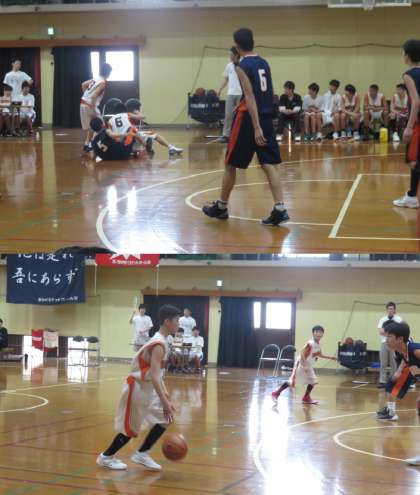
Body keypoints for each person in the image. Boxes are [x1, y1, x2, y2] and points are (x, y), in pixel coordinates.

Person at [202, 27, 288, 227]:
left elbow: (249, 96)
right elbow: (270, 92)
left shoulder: (242, 66)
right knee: (269, 164)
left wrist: (256, 127)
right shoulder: (264, 63)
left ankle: (221, 207)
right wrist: (265, 121)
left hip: (249, 120)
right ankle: (280, 209)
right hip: (266, 117)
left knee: (230, 163)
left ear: (237, 45)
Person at [97, 304, 179, 471]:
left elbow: (156, 373)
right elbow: (154, 376)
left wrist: (165, 394)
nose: (179, 324)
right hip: (137, 388)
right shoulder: (158, 344)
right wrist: (164, 401)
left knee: (166, 418)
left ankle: (142, 453)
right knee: (131, 429)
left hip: (148, 388)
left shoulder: (163, 340)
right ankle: (106, 457)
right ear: (167, 321)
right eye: (177, 321)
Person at [271, 325, 336, 405]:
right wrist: (304, 366)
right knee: (292, 382)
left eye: (320, 332)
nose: (318, 334)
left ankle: (306, 397)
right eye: (316, 332)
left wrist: (331, 357)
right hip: (301, 363)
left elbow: (319, 354)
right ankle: (276, 393)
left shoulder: (319, 344)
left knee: (313, 381)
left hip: (308, 364)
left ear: (323, 334)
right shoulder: (310, 343)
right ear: (313, 333)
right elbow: (302, 354)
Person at [393, 39, 420, 210]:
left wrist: (409, 127)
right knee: (415, 160)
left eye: (403, 52)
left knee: (412, 160)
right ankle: (411, 196)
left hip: (417, 124)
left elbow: (416, 102)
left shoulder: (408, 75)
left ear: (407, 55)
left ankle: (411, 197)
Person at [108, 99, 183, 157]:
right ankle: (170, 148)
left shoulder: (111, 119)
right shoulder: (128, 114)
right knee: (153, 134)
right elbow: (142, 117)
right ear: (135, 109)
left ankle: (133, 151)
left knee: (136, 136)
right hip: (131, 137)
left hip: (119, 142)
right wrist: (137, 113)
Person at [80, 63, 112, 153]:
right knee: (101, 125)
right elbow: (94, 96)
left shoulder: (95, 78)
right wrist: (93, 106)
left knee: (92, 126)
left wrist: (86, 96)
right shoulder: (102, 82)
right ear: (108, 73)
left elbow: (83, 84)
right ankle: (97, 144)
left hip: (82, 103)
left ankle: (87, 144)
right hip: (90, 105)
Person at [217, 47, 242, 143]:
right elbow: (226, 79)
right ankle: (226, 135)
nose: (230, 56)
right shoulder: (229, 66)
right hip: (231, 94)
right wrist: (219, 89)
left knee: (240, 116)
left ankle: (240, 135)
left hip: (241, 94)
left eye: (231, 54)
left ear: (236, 55)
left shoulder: (243, 64)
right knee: (228, 115)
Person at [377, 302, 403, 388]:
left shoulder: (399, 319)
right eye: (389, 309)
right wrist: (392, 334)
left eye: (392, 309)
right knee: (383, 363)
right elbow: (381, 331)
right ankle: (382, 381)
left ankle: (393, 381)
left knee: (393, 363)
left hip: (394, 344)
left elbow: (400, 331)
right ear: (387, 310)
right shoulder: (382, 319)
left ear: (394, 310)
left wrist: (388, 333)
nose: (390, 310)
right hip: (384, 343)